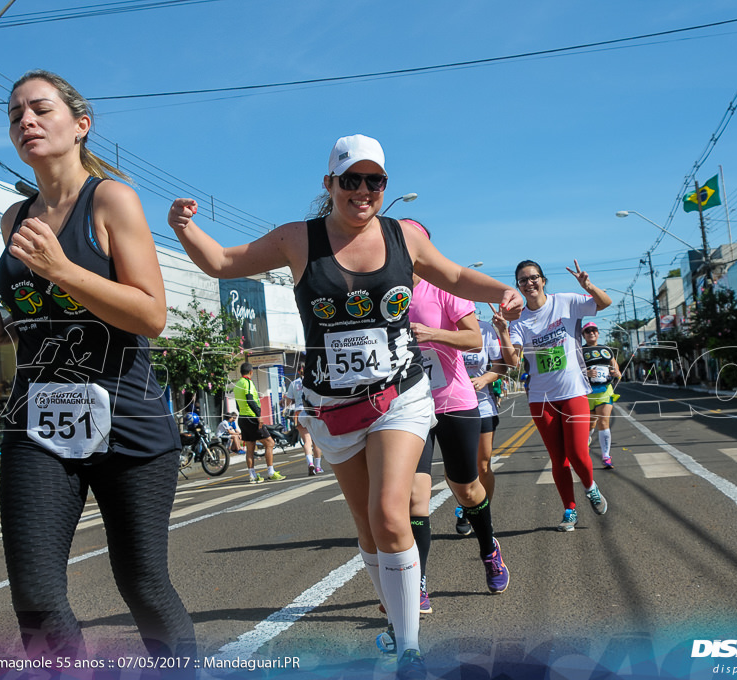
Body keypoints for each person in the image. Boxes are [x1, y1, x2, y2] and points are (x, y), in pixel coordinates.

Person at [167, 134, 522, 678]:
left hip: (398, 395)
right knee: (365, 524)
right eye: (350, 180)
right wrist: (184, 228)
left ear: (384, 186)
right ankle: (395, 614)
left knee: (389, 511)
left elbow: (453, 276)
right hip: (332, 406)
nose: (363, 191)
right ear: (329, 183)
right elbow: (222, 262)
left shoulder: (403, 237)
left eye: (374, 181)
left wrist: (503, 293)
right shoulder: (298, 239)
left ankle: (409, 648)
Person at [0, 70, 194, 662]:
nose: (26, 122)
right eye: (15, 115)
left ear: (80, 124)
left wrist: (63, 268)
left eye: (40, 110)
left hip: (128, 420)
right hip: (39, 422)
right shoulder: (14, 218)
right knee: (36, 598)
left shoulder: (112, 199)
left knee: (143, 586)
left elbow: (150, 315)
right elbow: (45, 319)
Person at [403, 219, 510, 613]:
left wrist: (431, 334)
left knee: (466, 490)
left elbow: (472, 338)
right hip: (410, 406)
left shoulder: (444, 289)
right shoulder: (384, 295)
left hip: (454, 401)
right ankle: (418, 584)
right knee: (415, 497)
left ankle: (488, 549)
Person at [498, 259, 612, 532]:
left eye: (534, 277)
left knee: (576, 451)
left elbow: (604, 303)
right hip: (541, 398)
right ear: (519, 286)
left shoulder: (567, 302)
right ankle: (569, 510)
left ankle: (590, 487)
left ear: (543, 280)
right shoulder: (519, 320)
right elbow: (512, 362)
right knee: (557, 457)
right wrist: (503, 330)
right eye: (523, 280)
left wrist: (587, 286)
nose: (529, 283)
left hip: (573, 391)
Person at [462, 312, 509, 532]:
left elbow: (501, 366)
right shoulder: (440, 327)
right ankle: (464, 504)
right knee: (459, 465)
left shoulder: (484, 329)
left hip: (482, 407)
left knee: (482, 465)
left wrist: (483, 379)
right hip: (451, 407)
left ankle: (483, 511)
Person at [233, 362, 284, 483]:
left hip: (243, 418)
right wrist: (258, 416)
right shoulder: (248, 382)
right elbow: (250, 400)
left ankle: (252, 475)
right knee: (270, 443)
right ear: (251, 372)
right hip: (252, 418)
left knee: (250, 447)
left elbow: (237, 404)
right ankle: (271, 472)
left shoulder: (237, 385)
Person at [581, 321, 621, 469]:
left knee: (603, 422)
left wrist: (616, 373)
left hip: (604, 391)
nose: (591, 332)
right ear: (583, 335)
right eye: (588, 331)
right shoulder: (579, 350)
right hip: (587, 393)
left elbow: (617, 370)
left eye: (594, 330)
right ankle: (586, 443)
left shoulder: (606, 350)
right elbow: (572, 372)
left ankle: (606, 456)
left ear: (598, 333)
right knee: (590, 424)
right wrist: (586, 373)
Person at [283, 361, 323, 475]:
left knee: (306, 441)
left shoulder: (294, 383)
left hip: (299, 413)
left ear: (298, 371)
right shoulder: (315, 381)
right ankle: (318, 466)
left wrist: (285, 408)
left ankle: (310, 463)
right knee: (316, 441)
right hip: (313, 411)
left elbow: (288, 400)